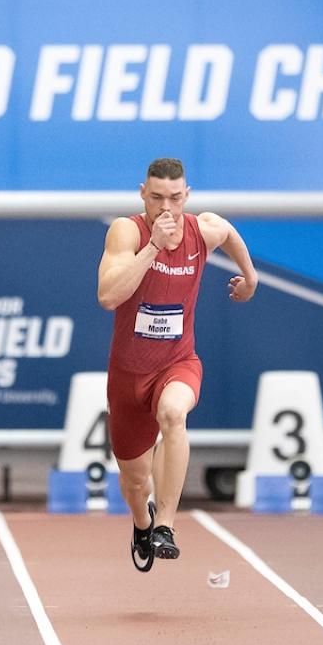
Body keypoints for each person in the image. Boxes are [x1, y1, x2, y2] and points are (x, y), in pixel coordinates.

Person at [97, 158, 257, 572]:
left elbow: (230, 233)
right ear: (142, 194)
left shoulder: (202, 230)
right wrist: (152, 247)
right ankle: (143, 521)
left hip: (178, 362)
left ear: (187, 195)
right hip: (128, 376)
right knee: (135, 483)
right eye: (156, 198)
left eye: (174, 198)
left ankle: (166, 525)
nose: (166, 209)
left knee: (173, 414)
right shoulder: (127, 231)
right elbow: (109, 296)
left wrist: (250, 278)